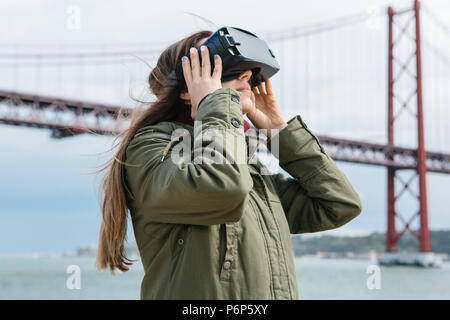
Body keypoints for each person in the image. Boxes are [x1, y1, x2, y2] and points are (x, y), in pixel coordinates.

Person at [95, 30, 362, 300]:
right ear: (186, 89)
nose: (246, 74)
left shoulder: (243, 162)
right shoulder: (152, 146)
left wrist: (280, 133)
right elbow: (222, 188)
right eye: (222, 65)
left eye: (249, 70)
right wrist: (216, 105)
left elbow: (338, 205)